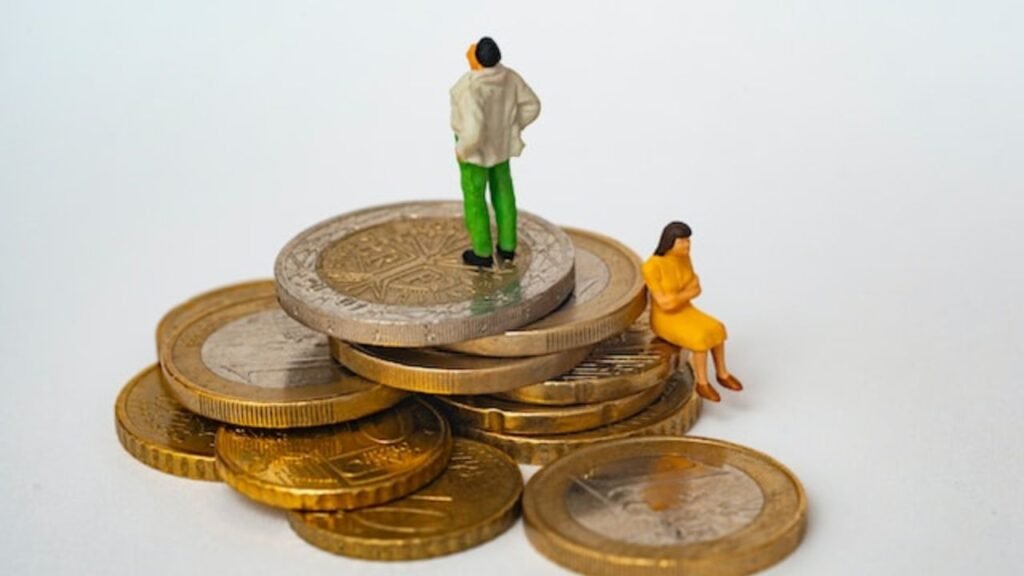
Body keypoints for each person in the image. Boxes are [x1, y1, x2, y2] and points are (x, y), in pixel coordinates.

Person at [450, 37, 541, 268]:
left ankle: (482, 251)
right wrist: (513, 126)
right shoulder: (510, 77)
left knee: (475, 198)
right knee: (503, 192)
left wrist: (463, 149)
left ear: (478, 60)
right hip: (501, 145)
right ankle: (507, 246)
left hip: (474, 153)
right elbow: (533, 105)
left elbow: (473, 130)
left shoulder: (470, 86)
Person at [642, 221, 744, 402]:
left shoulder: (684, 259)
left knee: (718, 328)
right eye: (682, 242)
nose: (687, 245)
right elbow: (665, 304)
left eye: (688, 241)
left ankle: (722, 373)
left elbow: (697, 287)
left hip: (686, 310)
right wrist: (686, 293)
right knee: (700, 338)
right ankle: (702, 382)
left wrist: (678, 296)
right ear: (669, 242)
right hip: (664, 319)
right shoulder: (652, 266)